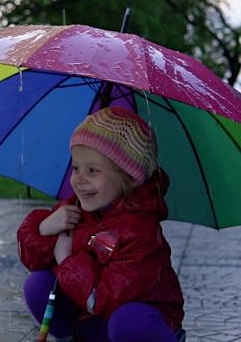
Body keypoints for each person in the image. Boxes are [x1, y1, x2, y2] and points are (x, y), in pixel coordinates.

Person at [17, 107, 184, 341]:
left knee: (129, 321)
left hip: (134, 324)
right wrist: (43, 229)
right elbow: (32, 259)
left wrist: (66, 260)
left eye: (93, 170)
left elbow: (108, 298)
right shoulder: (74, 208)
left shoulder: (141, 230)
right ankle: (70, 337)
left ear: (130, 177)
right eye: (76, 168)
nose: (79, 179)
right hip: (88, 318)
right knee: (39, 284)